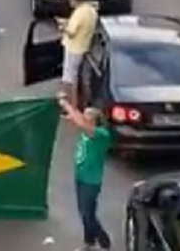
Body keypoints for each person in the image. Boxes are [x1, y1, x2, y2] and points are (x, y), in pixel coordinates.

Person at [59, 92, 113, 251]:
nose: (84, 117)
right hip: (81, 178)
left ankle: (104, 242)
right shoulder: (85, 131)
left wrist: (65, 104)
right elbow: (76, 118)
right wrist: (67, 106)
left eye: (87, 116)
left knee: (88, 214)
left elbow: (81, 124)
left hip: (91, 181)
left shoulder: (101, 135)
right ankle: (89, 242)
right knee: (84, 213)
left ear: (95, 120)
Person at [59, 0, 99, 106]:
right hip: (83, 45)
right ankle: (73, 101)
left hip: (73, 47)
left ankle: (71, 103)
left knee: (69, 77)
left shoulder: (79, 13)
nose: (70, 3)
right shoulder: (91, 11)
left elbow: (71, 32)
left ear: (75, 0)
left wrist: (63, 27)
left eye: (70, 0)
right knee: (75, 75)